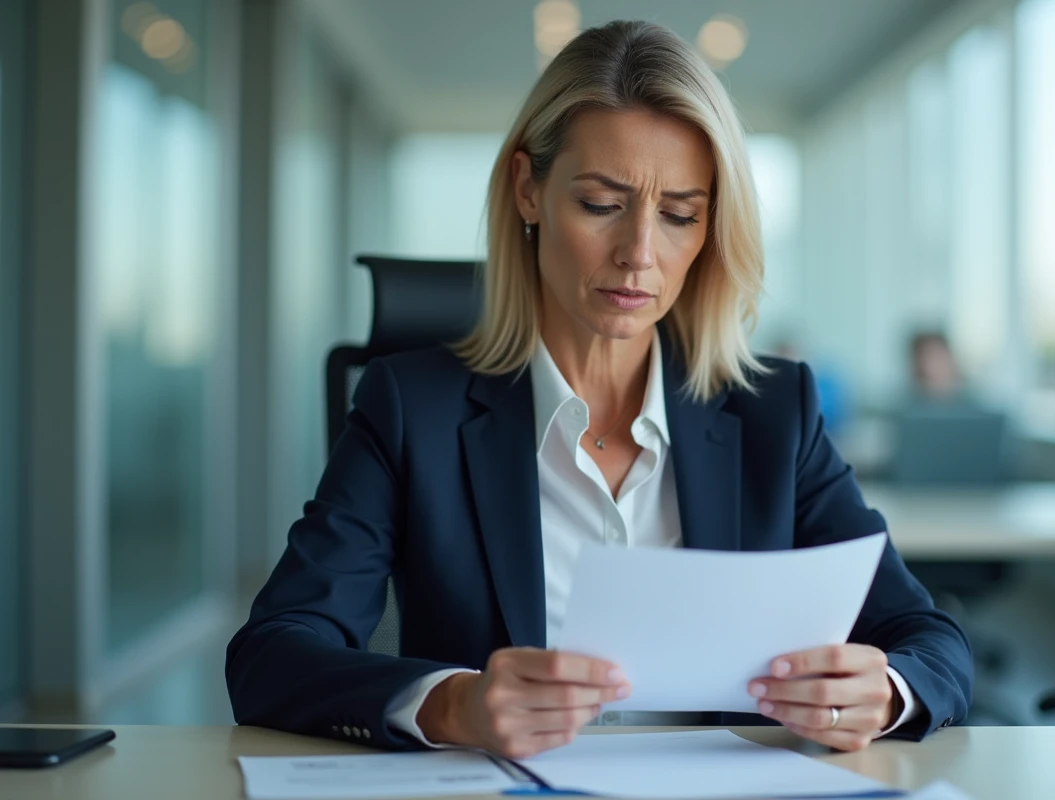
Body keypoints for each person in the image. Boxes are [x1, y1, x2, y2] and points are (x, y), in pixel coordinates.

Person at [226, 20, 972, 760]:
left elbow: (929, 640)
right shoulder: (410, 409)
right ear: (528, 189)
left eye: (679, 215)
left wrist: (885, 692)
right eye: (601, 205)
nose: (639, 254)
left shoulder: (775, 413)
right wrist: (453, 704)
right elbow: (273, 653)